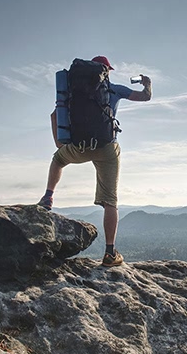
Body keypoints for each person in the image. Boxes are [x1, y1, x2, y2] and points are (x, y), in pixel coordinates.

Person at [37, 55, 152, 267]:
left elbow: (55, 115)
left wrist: (60, 143)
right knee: (110, 201)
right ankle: (110, 253)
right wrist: (148, 84)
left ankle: (48, 198)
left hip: (78, 147)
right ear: (106, 70)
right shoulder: (113, 89)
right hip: (107, 149)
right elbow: (145, 97)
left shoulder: (72, 90)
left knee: (58, 160)